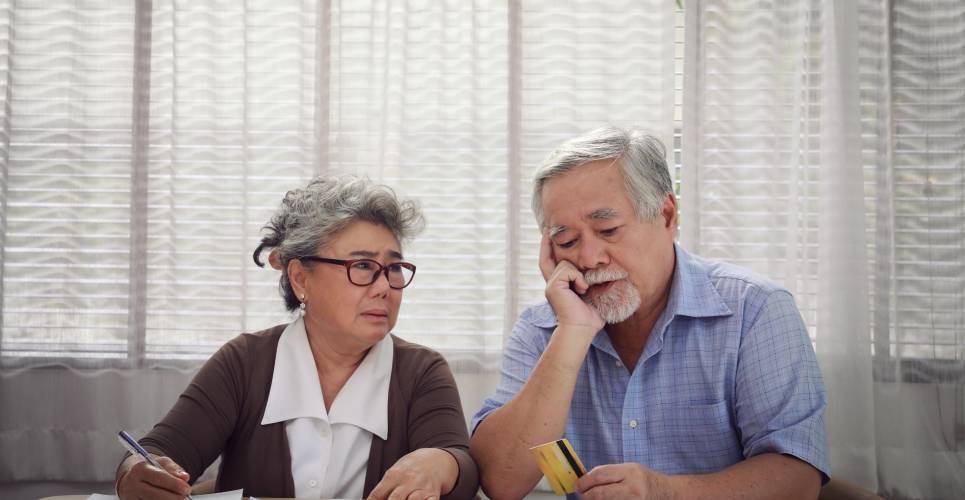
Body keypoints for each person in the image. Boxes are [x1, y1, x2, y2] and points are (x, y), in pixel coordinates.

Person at [470, 127, 829, 499]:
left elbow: (797, 479)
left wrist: (664, 491)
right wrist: (573, 330)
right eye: (567, 241)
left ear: (667, 215)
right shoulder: (542, 328)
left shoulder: (754, 310)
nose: (589, 258)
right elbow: (502, 482)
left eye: (607, 229)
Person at [115, 175, 479, 500]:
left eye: (394, 268)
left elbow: (463, 468)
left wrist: (442, 463)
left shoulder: (421, 370)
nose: (384, 286)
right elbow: (156, 452)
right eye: (364, 266)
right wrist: (135, 473)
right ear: (301, 278)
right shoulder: (244, 361)